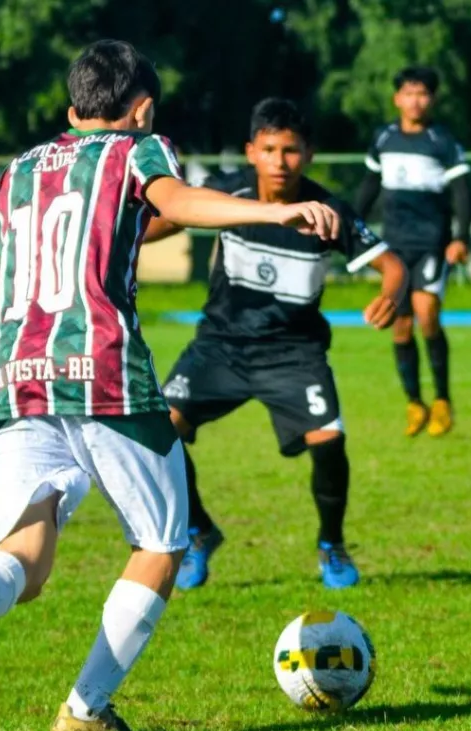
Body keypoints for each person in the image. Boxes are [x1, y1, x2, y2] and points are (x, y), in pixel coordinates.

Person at [0, 41, 342, 731]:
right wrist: (272, 213)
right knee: (163, 543)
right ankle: (84, 709)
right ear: (143, 109)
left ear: (72, 110)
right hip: (100, 371)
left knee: (28, 556)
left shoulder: (15, 172)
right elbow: (180, 203)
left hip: (11, 379)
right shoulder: (140, 151)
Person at [146, 98, 407, 591]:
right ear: (251, 151)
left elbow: (393, 265)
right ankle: (198, 532)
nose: (279, 161)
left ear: (308, 155)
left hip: (295, 353)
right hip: (220, 345)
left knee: (329, 441)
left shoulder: (328, 213)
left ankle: (332, 544)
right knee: (160, 432)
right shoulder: (228, 195)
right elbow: (169, 221)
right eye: (269, 149)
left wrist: (391, 295)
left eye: (291, 150)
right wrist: (119, 241)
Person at [355, 66, 471, 437]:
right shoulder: (384, 138)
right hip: (395, 247)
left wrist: (461, 237)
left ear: (432, 99)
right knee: (400, 326)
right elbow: (369, 186)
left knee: (427, 314)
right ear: (397, 99)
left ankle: (442, 401)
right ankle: (414, 403)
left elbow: (463, 193)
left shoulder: (443, 141)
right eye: (408, 93)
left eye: (422, 94)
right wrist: (350, 225)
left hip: (432, 243)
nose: (415, 100)